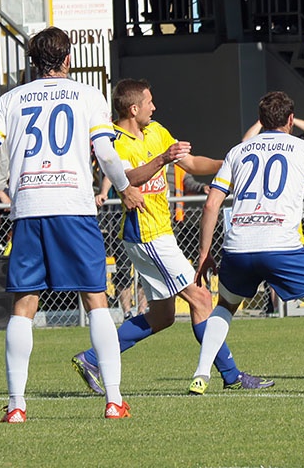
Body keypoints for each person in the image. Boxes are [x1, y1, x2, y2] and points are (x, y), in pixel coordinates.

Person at [0, 27, 145, 422]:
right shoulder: (89, 95)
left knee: (23, 306)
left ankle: (17, 406)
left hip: (29, 207)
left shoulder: (10, 99)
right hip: (73, 205)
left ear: (33, 62)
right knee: (95, 299)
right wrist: (123, 188)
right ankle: (113, 400)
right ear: (68, 58)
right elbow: (103, 150)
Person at [71, 79, 274, 396]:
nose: (154, 107)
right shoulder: (115, 141)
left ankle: (93, 359)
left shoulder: (155, 131)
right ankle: (231, 375)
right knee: (202, 298)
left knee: (163, 316)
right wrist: (163, 159)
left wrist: (229, 166)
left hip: (160, 233)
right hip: (146, 234)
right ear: (134, 108)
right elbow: (124, 178)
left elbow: (191, 163)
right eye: (149, 102)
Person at [192, 91, 304, 394]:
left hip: (238, 246)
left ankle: (201, 376)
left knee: (225, 306)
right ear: (291, 120)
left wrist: (204, 252)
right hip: (281, 247)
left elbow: (211, 205)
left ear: (261, 121)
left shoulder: (238, 151)